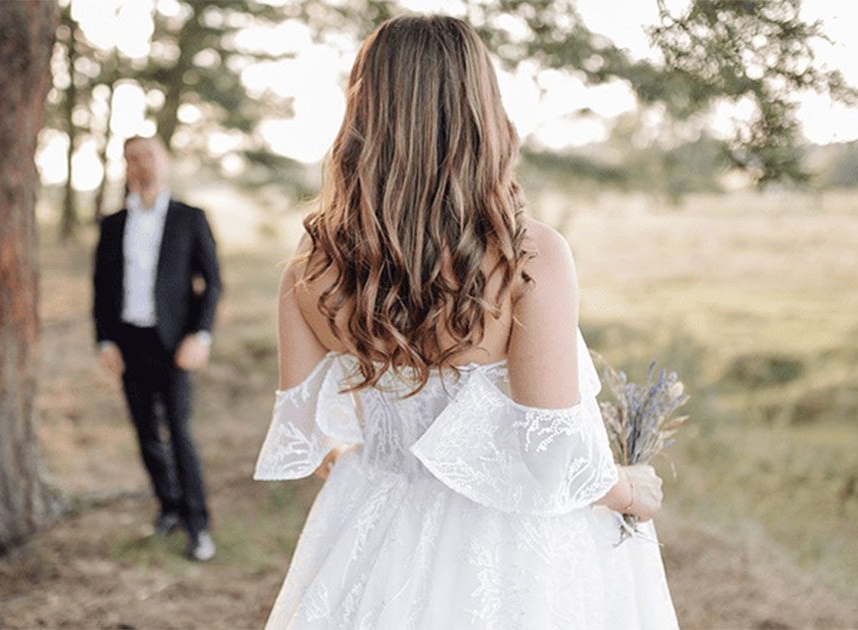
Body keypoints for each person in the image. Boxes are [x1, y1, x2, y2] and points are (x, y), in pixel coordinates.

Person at [253, 14, 678, 628]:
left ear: (363, 113)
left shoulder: (309, 269)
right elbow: (552, 450)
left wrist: (393, 442)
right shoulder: (528, 256)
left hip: (371, 530)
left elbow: (313, 442)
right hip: (506, 549)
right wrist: (630, 489)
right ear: (481, 111)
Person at [93, 135, 222, 562]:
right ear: (126, 167)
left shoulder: (190, 218)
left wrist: (199, 336)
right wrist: (105, 341)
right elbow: (100, 289)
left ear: (164, 162)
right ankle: (168, 508)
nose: (140, 164)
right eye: (132, 158)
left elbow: (212, 283)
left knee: (180, 432)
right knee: (145, 433)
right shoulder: (112, 224)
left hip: (173, 345)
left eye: (148, 155)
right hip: (129, 342)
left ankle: (198, 524)